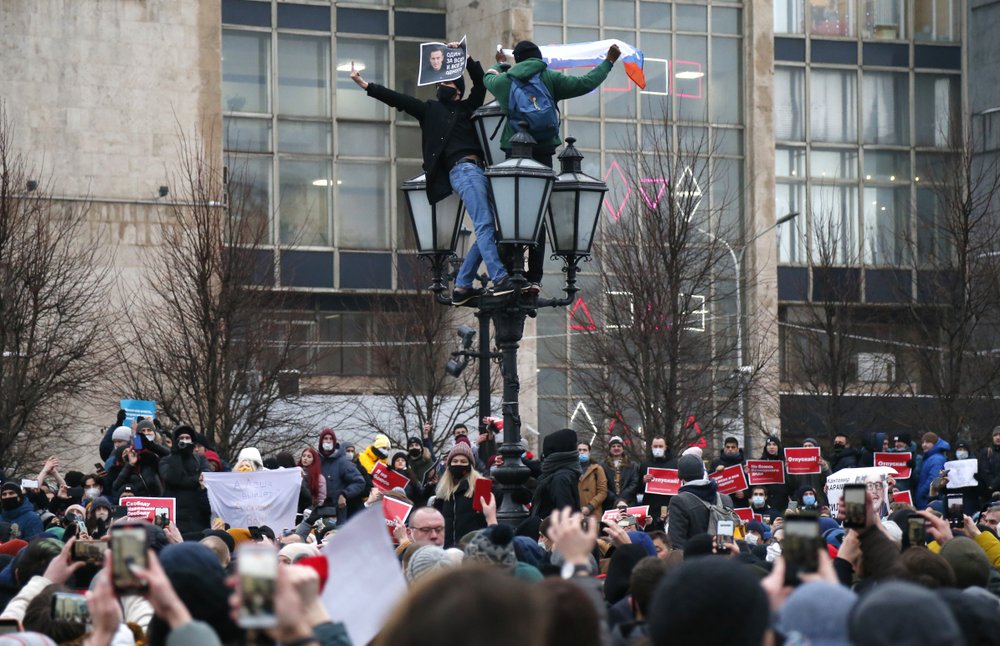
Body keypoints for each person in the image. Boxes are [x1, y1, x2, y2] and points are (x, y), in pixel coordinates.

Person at [351, 45, 514, 303]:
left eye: (448, 81)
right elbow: (399, 100)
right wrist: (368, 86)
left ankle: (462, 284)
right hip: (462, 171)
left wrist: (465, 55)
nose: (442, 84)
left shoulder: (467, 108)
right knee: (485, 224)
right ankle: (500, 277)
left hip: (478, 172)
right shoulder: (430, 110)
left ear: (457, 90)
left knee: (492, 229)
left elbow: (480, 85)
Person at [484, 40, 620, 287]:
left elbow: (488, 78)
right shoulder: (550, 78)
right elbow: (586, 83)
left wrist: (500, 64)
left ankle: (509, 269)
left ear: (518, 59)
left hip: (514, 154)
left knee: (509, 212)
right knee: (539, 213)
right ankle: (534, 277)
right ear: (537, 58)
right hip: (544, 151)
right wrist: (608, 62)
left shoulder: (506, 81)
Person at [666, 454, 732, 550]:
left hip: (695, 561)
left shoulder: (679, 501)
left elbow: (677, 542)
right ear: (702, 472)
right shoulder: (725, 498)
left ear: (680, 475)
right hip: (723, 558)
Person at [158, 426, 211, 539]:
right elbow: (172, 479)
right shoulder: (166, 460)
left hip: (197, 519)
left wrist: (184, 481)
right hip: (176, 518)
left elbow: (206, 477)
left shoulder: (200, 460)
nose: (184, 440)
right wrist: (176, 453)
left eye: (187, 438)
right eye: (181, 438)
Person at [432, 442, 488, 547]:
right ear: (449, 465)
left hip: (473, 549)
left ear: (470, 465)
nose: (459, 464)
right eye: (455, 461)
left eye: (463, 461)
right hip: (448, 550)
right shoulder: (443, 491)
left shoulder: (480, 487)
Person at [316, 428, 365, 525]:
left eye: (331, 439)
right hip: (317, 512)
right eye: (325, 438)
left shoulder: (342, 462)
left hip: (337, 514)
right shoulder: (316, 461)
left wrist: (344, 494)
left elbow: (359, 481)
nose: (328, 441)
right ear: (321, 441)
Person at [639, 436, 677, 530]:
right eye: (655, 446)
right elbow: (638, 489)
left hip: (669, 506)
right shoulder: (645, 464)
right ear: (651, 447)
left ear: (665, 447)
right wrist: (643, 481)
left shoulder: (675, 464)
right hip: (650, 506)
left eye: (660, 446)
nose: (658, 448)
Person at [916, 432, 950, 510]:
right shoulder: (928, 458)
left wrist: (921, 493)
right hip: (925, 499)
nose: (924, 445)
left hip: (928, 499)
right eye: (923, 442)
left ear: (934, 444)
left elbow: (934, 479)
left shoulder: (937, 459)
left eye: (927, 442)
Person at [603, 436, 639, 509]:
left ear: (622, 448)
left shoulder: (632, 465)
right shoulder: (602, 466)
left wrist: (622, 499)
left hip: (629, 503)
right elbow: (602, 485)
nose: (616, 448)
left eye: (619, 446)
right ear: (610, 449)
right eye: (613, 446)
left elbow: (634, 483)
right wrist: (616, 499)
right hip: (610, 504)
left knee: (628, 521)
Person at [757, 435, 790, 513]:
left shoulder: (785, 462)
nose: (771, 447)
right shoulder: (760, 463)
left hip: (782, 501)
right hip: (766, 502)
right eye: (769, 445)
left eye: (774, 444)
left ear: (778, 447)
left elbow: (791, 483)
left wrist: (786, 470)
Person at [577, 442, 608, 518]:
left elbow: (603, 491)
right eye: (579, 450)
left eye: (585, 450)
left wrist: (590, 507)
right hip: (576, 515)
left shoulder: (597, 469)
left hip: (594, 514)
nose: (582, 452)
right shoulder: (571, 470)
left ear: (589, 452)